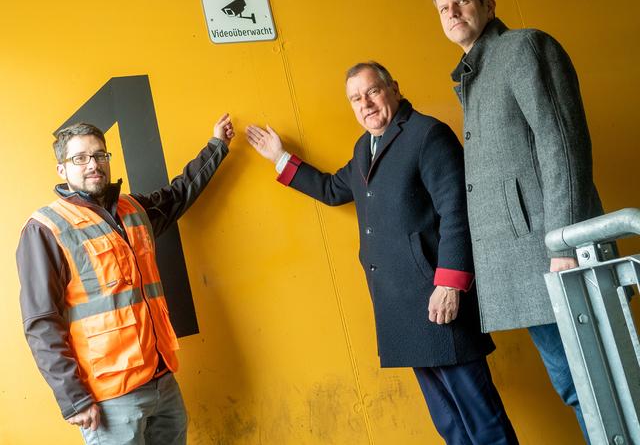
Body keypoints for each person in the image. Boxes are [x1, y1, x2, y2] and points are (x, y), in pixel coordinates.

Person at [246, 62, 518, 444]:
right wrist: (280, 157)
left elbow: (458, 210)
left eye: (372, 92)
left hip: (438, 297)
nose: (366, 104)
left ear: (394, 88)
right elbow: (331, 189)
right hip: (401, 307)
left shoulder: (428, 134)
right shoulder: (363, 148)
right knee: (450, 424)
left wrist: (450, 283)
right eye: (355, 98)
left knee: (482, 420)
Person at [429, 0, 603, 440]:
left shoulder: (523, 48)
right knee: (575, 384)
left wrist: (563, 239)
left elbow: (561, 143)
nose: (453, 13)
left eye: (462, 1)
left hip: (551, 255)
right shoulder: (475, 74)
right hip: (524, 264)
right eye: (444, 8)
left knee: (595, 382)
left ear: (488, 5)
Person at [16, 114, 234, 444]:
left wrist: (217, 146)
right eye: (80, 158)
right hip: (109, 400)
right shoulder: (46, 228)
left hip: (162, 382)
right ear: (62, 168)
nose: (93, 164)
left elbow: (178, 195)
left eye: (100, 155)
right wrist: (74, 398)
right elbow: (41, 322)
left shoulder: (132, 210)